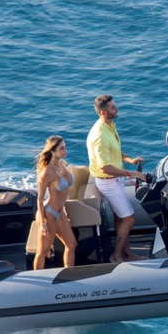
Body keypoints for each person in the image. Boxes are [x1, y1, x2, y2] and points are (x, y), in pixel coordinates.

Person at [87, 94, 146, 263]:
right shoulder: (100, 136)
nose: (116, 109)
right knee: (129, 218)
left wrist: (129, 160)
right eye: (113, 107)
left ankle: (127, 253)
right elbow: (104, 167)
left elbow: (114, 150)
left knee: (120, 217)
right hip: (109, 183)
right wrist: (131, 173)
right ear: (103, 112)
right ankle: (116, 256)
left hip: (115, 181)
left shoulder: (109, 126)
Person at [33, 135, 79, 269]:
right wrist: (42, 223)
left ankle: (69, 274)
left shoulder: (61, 165)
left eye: (65, 147)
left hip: (60, 212)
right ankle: (37, 279)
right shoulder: (47, 172)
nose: (65, 151)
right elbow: (40, 198)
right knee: (42, 252)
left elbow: (64, 193)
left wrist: (65, 210)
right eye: (62, 148)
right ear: (53, 151)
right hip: (49, 214)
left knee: (71, 244)